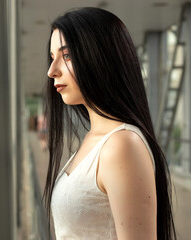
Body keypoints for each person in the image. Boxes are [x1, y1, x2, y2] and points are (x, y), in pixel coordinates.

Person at [42, 7, 176, 240]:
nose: (52, 71)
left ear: (100, 58)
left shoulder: (122, 145)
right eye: (53, 58)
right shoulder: (93, 141)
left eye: (67, 55)